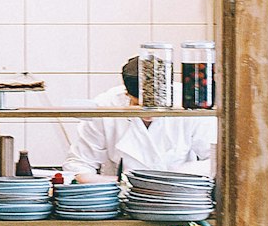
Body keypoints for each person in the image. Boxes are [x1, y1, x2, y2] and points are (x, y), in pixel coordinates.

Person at [62, 56, 217, 180]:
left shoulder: (188, 103)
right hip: (121, 200)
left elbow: (216, 161)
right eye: (138, 105)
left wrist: (171, 177)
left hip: (178, 196)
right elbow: (79, 164)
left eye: (155, 106)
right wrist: (120, 182)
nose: (148, 113)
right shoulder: (106, 106)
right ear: (126, 94)